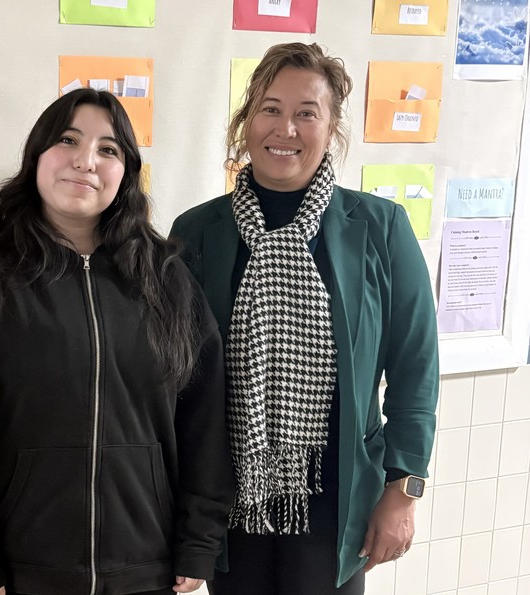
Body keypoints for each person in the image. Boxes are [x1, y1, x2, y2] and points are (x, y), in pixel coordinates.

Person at [0, 88, 235, 595]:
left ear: (126, 174)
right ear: (37, 157)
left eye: (108, 149)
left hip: (147, 565)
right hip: (23, 570)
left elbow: (204, 417)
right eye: (67, 140)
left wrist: (200, 539)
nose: (85, 161)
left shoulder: (166, 279)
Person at [170, 43, 439, 594]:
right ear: (247, 120)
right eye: (269, 108)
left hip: (339, 499)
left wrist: (403, 490)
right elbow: (174, 379)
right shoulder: (197, 232)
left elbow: (415, 369)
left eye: (306, 113)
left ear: (332, 126)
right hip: (229, 497)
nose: (285, 128)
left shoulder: (379, 228)